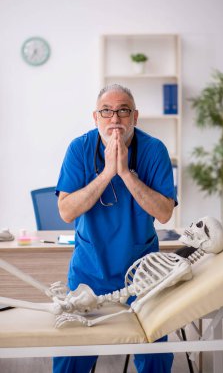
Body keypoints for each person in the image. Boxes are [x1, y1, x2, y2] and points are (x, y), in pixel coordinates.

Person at [54, 84, 178, 373]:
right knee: (73, 355)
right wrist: (108, 172)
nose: (115, 119)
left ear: (135, 116)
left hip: (143, 275)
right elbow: (65, 211)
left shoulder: (153, 150)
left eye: (123, 110)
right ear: (95, 117)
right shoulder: (79, 149)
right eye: (106, 111)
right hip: (89, 272)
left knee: (155, 355)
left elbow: (164, 214)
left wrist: (124, 173)